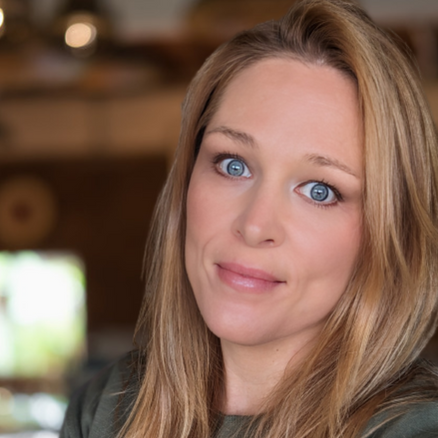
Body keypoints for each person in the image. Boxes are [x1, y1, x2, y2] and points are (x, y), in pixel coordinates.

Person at [60, 0, 438, 437]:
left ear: (389, 233)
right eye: (233, 165)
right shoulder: (105, 410)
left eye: (320, 190)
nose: (255, 225)